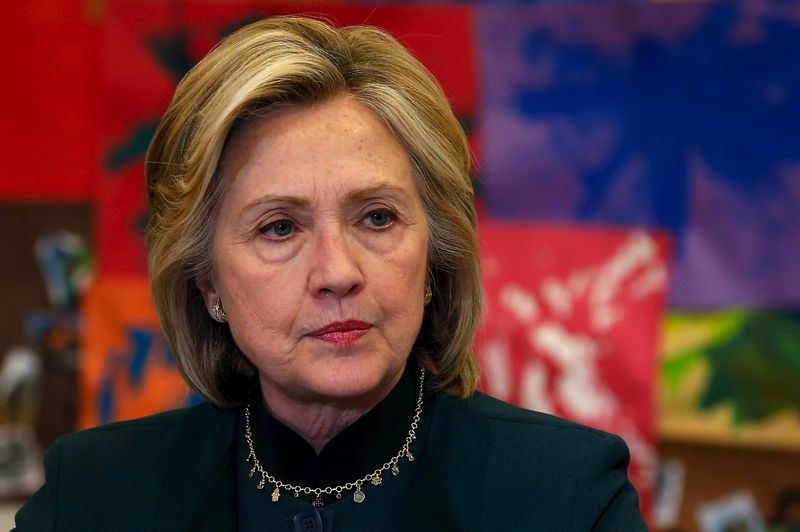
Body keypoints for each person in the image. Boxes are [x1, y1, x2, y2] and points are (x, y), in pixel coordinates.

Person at [15, 16, 647, 531]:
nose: (337, 273)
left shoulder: (565, 495)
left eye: (376, 218)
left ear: (435, 257)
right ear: (207, 283)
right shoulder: (94, 495)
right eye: (279, 228)